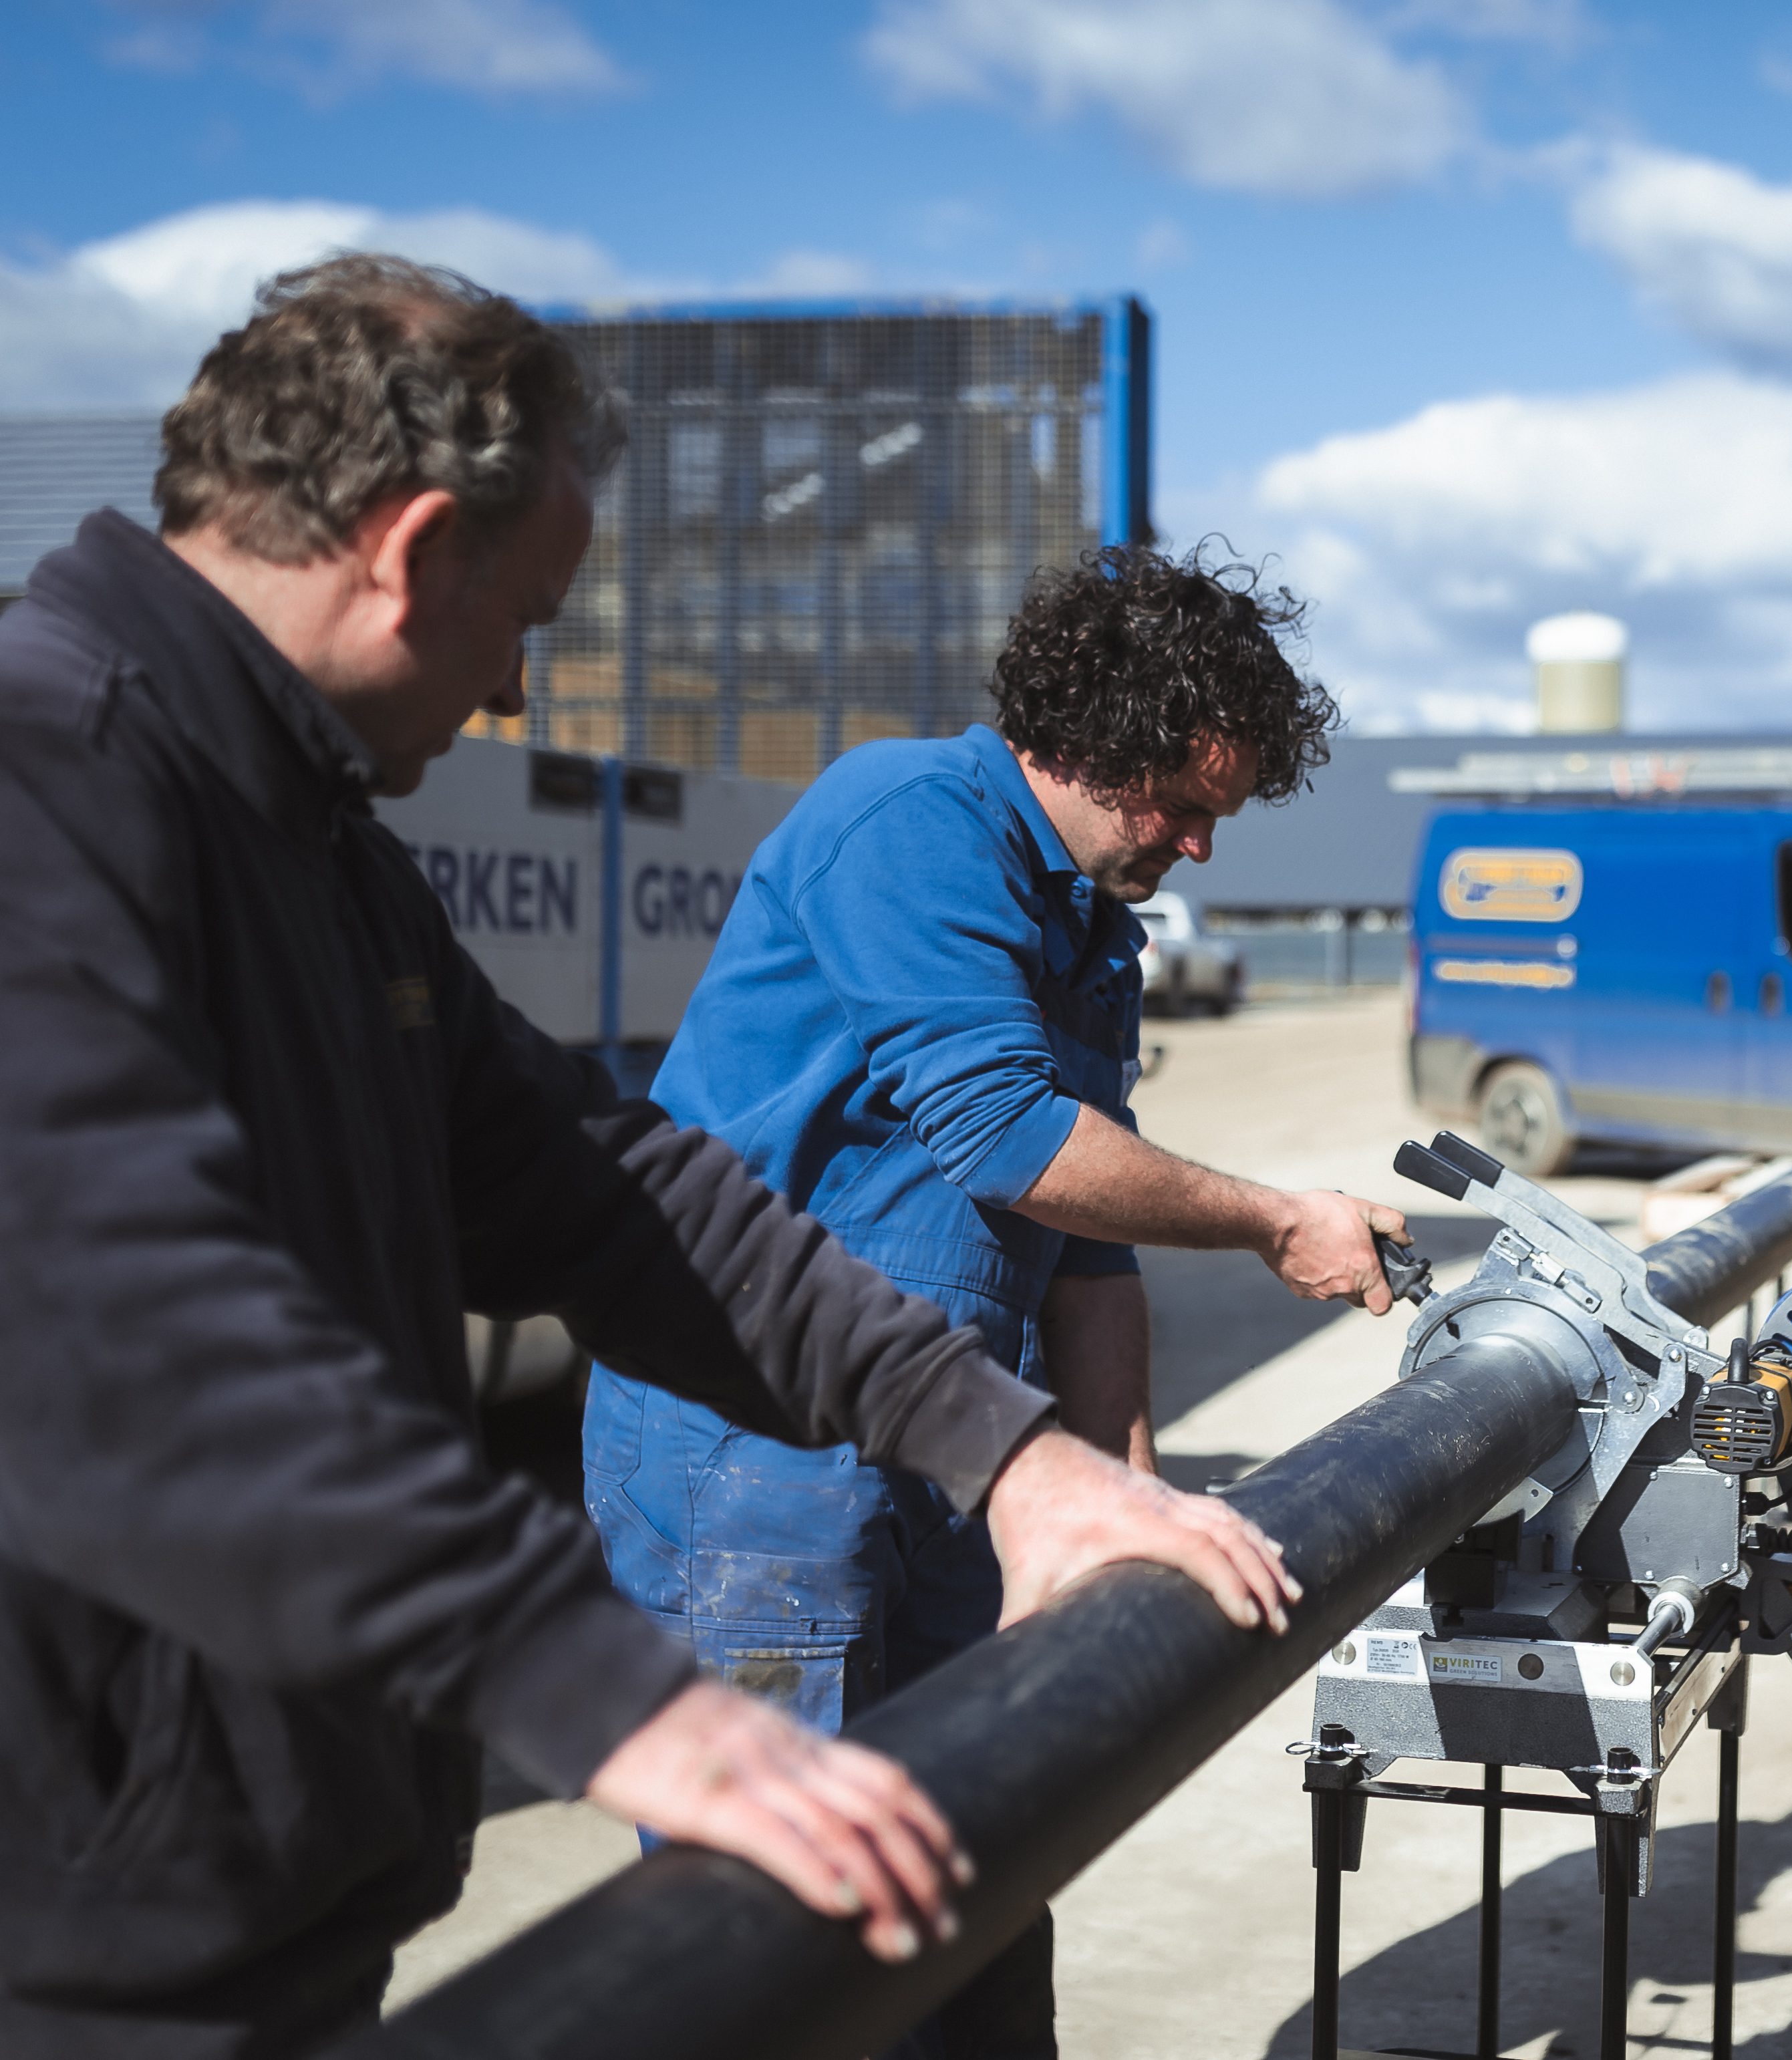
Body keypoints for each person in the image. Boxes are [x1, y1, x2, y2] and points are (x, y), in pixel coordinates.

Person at [0, 256, 1296, 2060]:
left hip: (266, 1854)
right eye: (525, 612)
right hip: (74, 1915)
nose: (522, 693)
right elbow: (140, 1341)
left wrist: (1015, 1459)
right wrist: (616, 1691)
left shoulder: (309, 838)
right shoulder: (46, 776)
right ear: (413, 546)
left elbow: (620, 1191)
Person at [580, 541, 1401, 2059]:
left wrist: (1131, 1494)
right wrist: (1278, 1219)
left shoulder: (1091, 924)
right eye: (1190, 804)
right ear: (1096, 740)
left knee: (981, 1855)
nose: (1205, 847)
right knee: (797, 1908)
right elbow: (1009, 1136)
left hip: (953, 1440)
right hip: (755, 1449)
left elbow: (1086, 1238)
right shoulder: (909, 823)